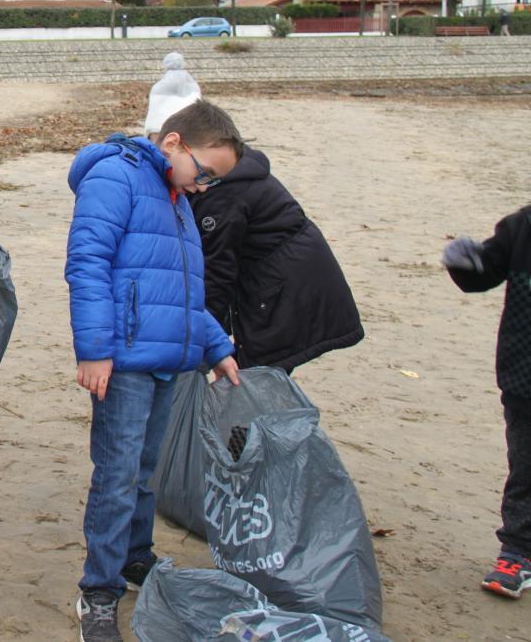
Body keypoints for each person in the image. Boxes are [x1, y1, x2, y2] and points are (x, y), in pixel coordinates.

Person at [65, 99, 242, 642]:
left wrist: (214, 345)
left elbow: (181, 285)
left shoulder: (176, 193)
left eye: (213, 181)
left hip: (170, 358)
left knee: (146, 472)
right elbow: (86, 262)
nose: (203, 186)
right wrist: (95, 349)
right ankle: (98, 591)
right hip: (124, 360)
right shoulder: (115, 176)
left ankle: (136, 557)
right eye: (204, 172)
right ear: (174, 144)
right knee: (117, 476)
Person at [190, 145, 364, 373]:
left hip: (285, 290)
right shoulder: (225, 171)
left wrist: (206, 347)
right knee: (254, 375)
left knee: (257, 377)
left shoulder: (220, 194)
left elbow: (217, 276)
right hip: (279, 279)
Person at [442, 206, 531, 600]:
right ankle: (518, 552)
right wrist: (467, 261)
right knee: (526, 465)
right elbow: (484, 275)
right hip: (525, 374)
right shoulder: (523, 226)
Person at [142, 51, 200, 137]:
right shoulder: (193, 86)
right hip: (188, 131)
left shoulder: (158, 87)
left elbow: (154, 113)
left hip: (159, 131)